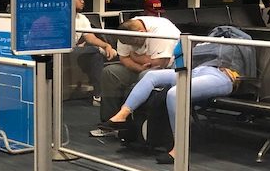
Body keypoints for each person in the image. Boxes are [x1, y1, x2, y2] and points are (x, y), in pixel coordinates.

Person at [106, 26, 255, 163]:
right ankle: (122, 115)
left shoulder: (240, 43)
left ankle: (179, 149)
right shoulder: (207, 42)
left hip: (220, 76)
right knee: (151, 76)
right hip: (197, 71)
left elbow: (247, 59)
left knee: (175, 93)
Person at [91, 14, 181, 135]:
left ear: (142, 32)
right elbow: (123, 58)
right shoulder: (126, 32)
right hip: (141, 68)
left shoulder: (163, 31)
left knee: (145, 75)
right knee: (110, 72)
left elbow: (160, 63)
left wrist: (134, 56)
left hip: (169, 70)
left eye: (135, 43)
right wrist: (139, 65)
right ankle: (110, 123)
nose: (133, 46)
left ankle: (135, 127)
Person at [72, 0, 116, 106]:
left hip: (75, 52)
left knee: (96, 56)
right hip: (59, 53)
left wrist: (105, 45)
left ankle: (98, 96)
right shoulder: (60, 16)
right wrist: (100, 48)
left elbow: (90, 38)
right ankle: (101, 51)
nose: (83, 1)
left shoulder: (82, 18)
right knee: (95, 51)